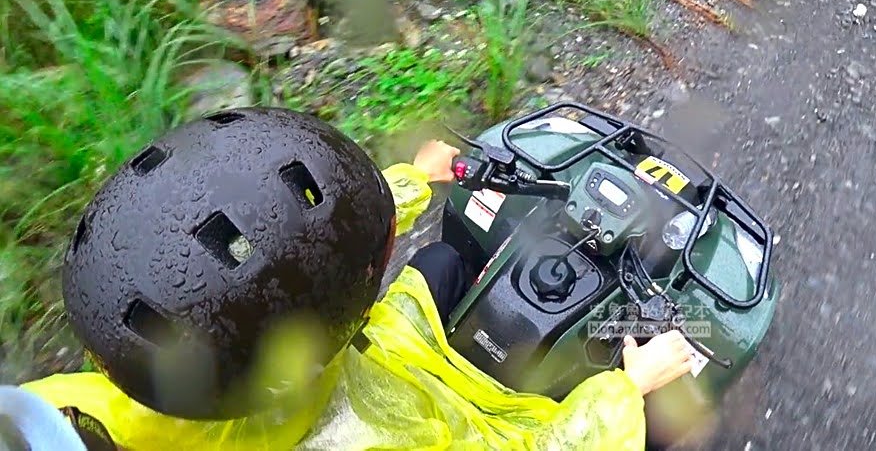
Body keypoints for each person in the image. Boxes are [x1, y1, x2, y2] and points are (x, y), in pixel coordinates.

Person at [14, 107, 697, 450]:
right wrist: (623, 393)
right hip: (458, 420)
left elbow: (280, 254)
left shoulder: (76, 405)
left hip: (371, 361)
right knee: (638, 392)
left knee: (446, 262)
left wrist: (402, 186)